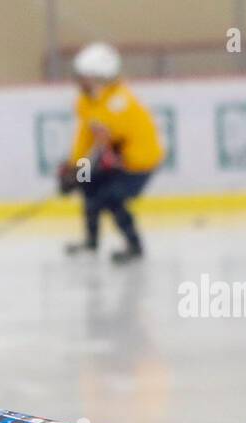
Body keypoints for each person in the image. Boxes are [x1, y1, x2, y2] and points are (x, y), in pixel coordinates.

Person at [57, 42, 163, 264]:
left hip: (138, 163)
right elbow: (85, 136)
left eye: (84, 76)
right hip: (116, 160)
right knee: (89, 186)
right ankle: (91, 242)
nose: (79, 81)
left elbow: (109, 142)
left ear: (99, 76)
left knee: (112, 197)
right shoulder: (86, 102)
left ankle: (134, 246)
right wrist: (75, 165)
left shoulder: (120, 102)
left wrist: (85, 168)